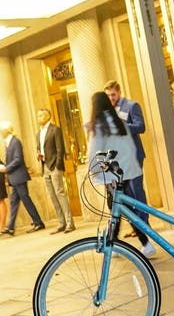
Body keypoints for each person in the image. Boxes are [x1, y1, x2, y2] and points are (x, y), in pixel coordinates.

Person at [87, 91, 155, 257]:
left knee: (120, 208)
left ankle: (141, 243)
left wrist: (95, 172)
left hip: (112, 176)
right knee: (121, 209)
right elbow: (130, 149)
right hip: (125, 173)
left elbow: (94, 153)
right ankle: (119, 243)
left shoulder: (98, 126)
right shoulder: (120, 122)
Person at [105, 80, 151, 238]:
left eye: (113, 95)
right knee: (127, 195)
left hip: (134, 155)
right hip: (120, 159)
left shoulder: (132, 106)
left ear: (119, 92)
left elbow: (141, 126)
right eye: (108, 96)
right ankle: (137, 227)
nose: (111, 98)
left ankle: (145, 226)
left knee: (137, 191)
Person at [0, 121, 45, 235]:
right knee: (14, 202)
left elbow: (18, 159)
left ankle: (38, 222)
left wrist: (6, 169)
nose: (0, 132)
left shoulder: (15, 142)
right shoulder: (8, 143)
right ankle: (11, 227)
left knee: (26, 200)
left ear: (7, 130)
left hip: (19, 177)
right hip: (14, 178)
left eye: (1, 130)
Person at [35, 109, 73, 234]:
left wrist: (57, 165)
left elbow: (60, 149)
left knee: (60, 193)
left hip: (54, 166)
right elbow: (39, 148)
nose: (38, 117)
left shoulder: (55, 129)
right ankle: (61, 222)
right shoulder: (38, 133)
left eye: (40, 115)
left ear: (47, 116)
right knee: (52, 195)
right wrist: (38, 155)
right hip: (44, 166)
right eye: (38, 116)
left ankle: (69, 222)